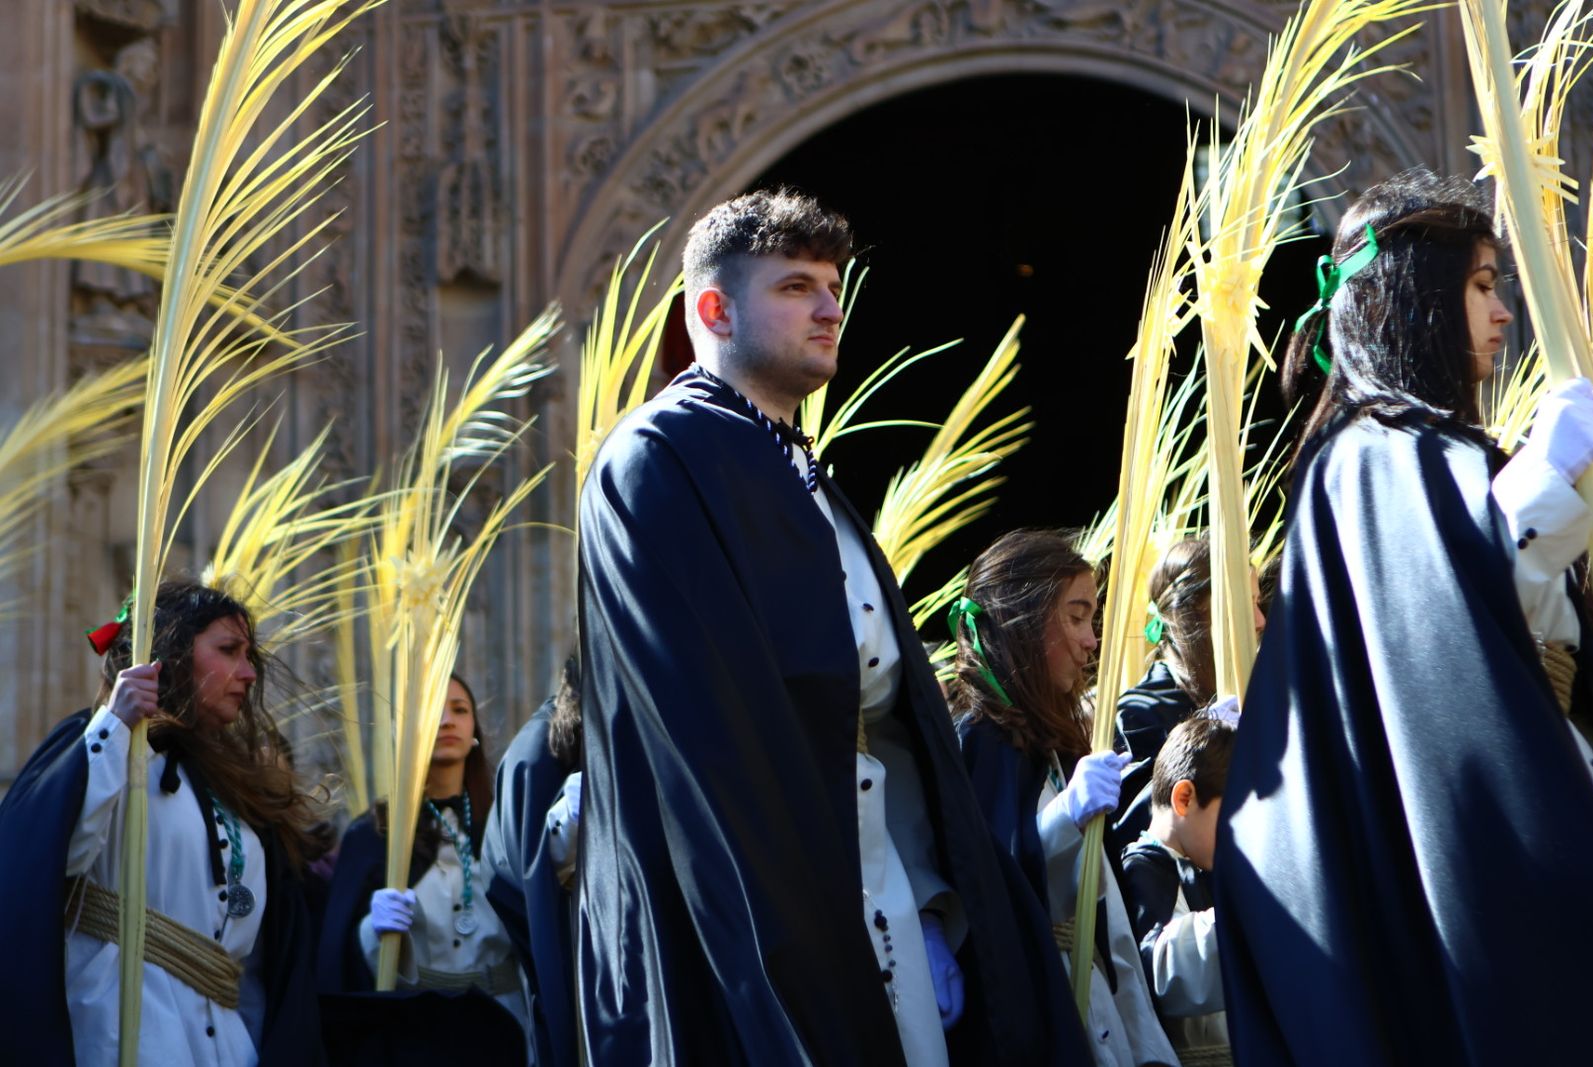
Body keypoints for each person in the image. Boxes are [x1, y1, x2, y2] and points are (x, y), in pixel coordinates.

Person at [576, 188, 1084, 1064]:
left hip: (880, 884)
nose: (828, 307)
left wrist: (931, 894)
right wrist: (799, 934)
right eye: (795, 286)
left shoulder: (807, 476)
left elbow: (891, 724)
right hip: (774, 907)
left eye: (832, 284)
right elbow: (705, 738)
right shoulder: (657, 461)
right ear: (713, 308)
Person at [1215, 168, 1593, 1064]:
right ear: (1415, 294)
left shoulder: (1435, 453)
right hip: (1477, 863)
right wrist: (1545, 476)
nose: (1503, 311)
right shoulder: (1367, 461)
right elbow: (1449, 623)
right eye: (1478, 284)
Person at [0, 579, 327, 1065]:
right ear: (171, 654)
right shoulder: (104, 747)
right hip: (127, 1032)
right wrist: (113, 726)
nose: (248, 674)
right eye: (229, 651)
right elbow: (47, 857)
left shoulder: (238, 787)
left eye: (248, 656)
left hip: (227, 1045)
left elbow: (263, 961)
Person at [952, 529, 1177, 1067]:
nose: (1091, 640)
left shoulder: (1049, 745)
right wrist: (1065, 817)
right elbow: (988, 885)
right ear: (1023, 623)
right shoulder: (979, 740)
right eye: (1076, 616)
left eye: (1092, 619)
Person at [317, 674, 527, 1062]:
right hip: (420, 1031)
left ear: (474, 731)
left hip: (506, 1022)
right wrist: (371, 930)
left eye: (460, 710)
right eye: (433, 710)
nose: (447, 720)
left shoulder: (508, 823)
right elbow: (339, 955)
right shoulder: (375, 834)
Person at [1109, 540, 1263, 858]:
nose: (1260, 620)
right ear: (1196, 612)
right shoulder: (1141, 711)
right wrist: (1204, 741)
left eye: (1257, 602)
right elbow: (1135, 827)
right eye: (1246, 604)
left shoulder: (1247, 694)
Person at [482, 654, 583, 1067]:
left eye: (459, 710)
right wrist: (565, 827)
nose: (447, 724)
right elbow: (524, 883)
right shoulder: (534, 755)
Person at [1120, 716, 1235, 1066]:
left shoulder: (1198, 863)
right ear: (1184, 798)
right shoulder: (1143, 869)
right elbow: (1161, 971)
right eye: (1229, 816)